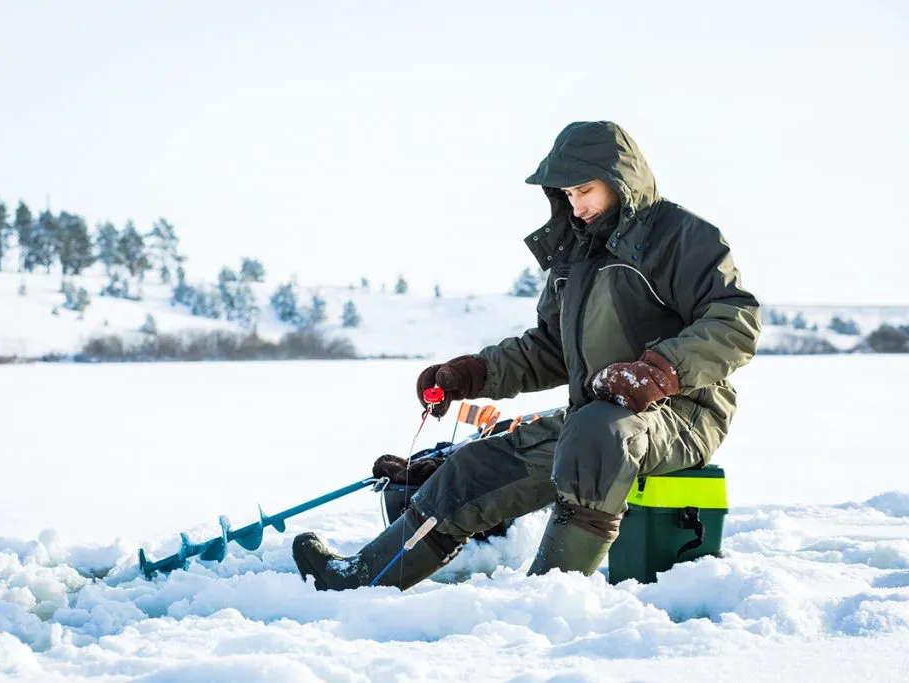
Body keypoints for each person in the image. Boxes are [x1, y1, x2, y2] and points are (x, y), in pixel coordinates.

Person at [293, 120, 761, 591]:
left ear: (622, 181)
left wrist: (658, 372)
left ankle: (548, 598)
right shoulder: (575, 256)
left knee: (597, 436)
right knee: (472, 468)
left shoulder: (682, 236)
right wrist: (472, 375)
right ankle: (359, 578)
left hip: (682, 412)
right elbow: (549, 350)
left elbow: (735, 321)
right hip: (591, 419)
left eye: (586, 190)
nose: (576, 206)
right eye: (567, 194)